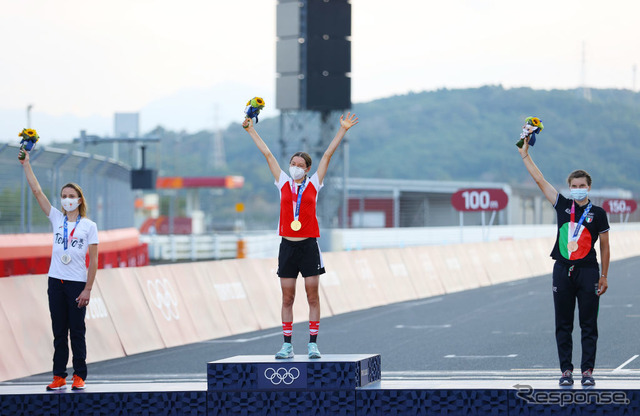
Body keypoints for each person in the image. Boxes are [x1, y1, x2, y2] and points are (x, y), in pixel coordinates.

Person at [243, 112, 359, 359]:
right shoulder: (282, 182)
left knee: (312, 296)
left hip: (309, 247)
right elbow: (267, 154)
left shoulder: (314, 183)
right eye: (292, 163)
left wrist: (342, 130)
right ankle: (286, 345)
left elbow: (327, 154)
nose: (293, 167)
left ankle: (313, 344)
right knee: (288, 297)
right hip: (287, 246)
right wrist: (251, 129)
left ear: (307, 169)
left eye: (299, 165)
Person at [518, 135, 610, 386]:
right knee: (563, 324)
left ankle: (587, 372)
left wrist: (604, 276)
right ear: (569, 186)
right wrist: (524, 153)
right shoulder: (562, 205)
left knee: (589, 324)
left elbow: (605, 246)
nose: (578, 188)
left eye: (582, 185)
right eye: (574, 184)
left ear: (588, 187)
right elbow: (540, 180)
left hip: (589, 271)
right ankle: (566, 371)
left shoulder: (598, 214)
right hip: (562, 270)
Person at [19, 147, 99, 391]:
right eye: (64, 195)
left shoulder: (88, 226)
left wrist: (88, 288)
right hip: (55, 282)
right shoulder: (56, 218)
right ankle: (58, 375)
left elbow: (93, 261)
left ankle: (80, 375)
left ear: (79, 199)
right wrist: (26, 164)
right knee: (58, 332)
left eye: (71, 195)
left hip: (77, 284)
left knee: (77, 331)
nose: (67, 199)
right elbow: (36, 191)